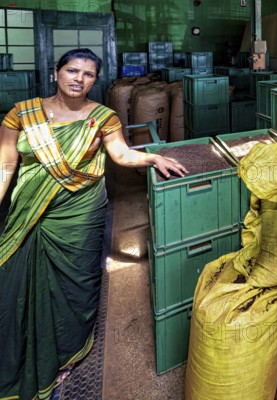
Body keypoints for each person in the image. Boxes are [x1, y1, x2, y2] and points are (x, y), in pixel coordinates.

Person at [0, 48, 188, 398]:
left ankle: (67, 351)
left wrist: (152, 158)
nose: (79, 79)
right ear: (56, 72)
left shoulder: (104, 117)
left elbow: (120, 154)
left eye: (88, 75)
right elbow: (6, 165)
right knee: (16, 279)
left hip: (80, 214)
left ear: (94, 80)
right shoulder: (21, 114)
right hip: (30, 212)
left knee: (76, 284)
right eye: (72, 71)